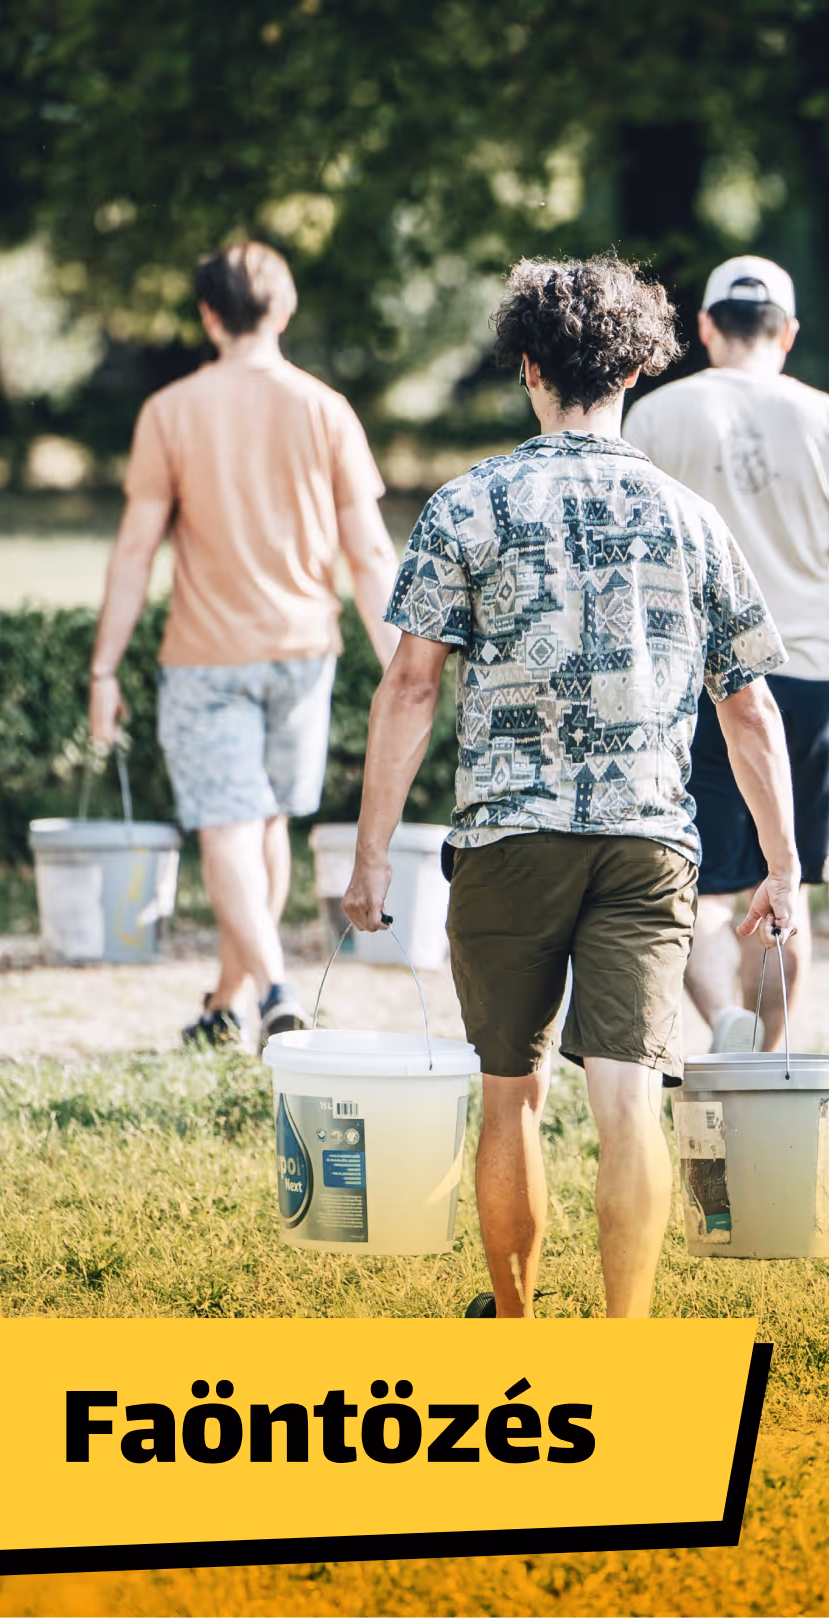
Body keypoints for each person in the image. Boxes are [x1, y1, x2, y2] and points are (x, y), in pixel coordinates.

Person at [342, 254, 799, 1320]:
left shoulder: (468, 504)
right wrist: (781, 868)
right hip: (647, 842)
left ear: (530, 369)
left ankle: (513, 1324)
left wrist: (371, 854)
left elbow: (409, 687)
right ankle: (624, 1340)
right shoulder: (690, 519)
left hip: (507, 838)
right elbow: (748, 709)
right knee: (630, 1096)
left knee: (510, 1093)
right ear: (633, 374)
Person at [89, 240, 399, 1050]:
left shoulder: (169, 411)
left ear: (206, 317)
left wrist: (104, 666)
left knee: (231, 829)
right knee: (263, 826)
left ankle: (272, 992)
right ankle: (234, 999)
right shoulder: (326, 409)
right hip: (304, 652)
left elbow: (134, 551)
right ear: (285, 309)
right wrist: (406, 662)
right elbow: (369, 555)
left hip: (205, 656)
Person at [624, 255, 829, 1054]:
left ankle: (728, 1028)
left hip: (693, 679)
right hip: (809, 676)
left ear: (706, 327)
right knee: (787, 883)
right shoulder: (822, 417)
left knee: (692, 882)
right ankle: (767, 1065)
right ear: (789, 332)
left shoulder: (656, 416)